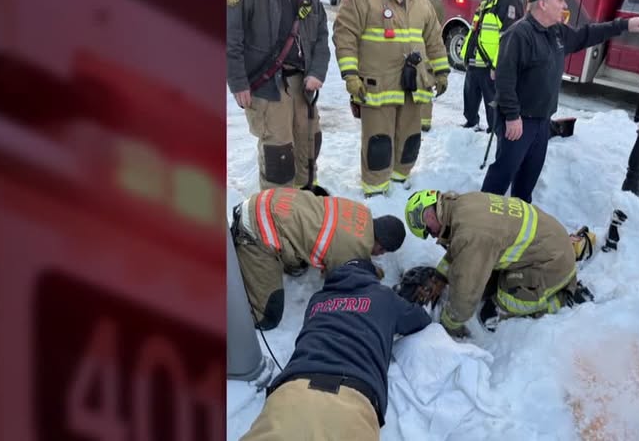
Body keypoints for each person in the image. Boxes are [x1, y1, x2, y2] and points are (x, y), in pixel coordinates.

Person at [480, 0, 639, 204]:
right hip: (519, 122)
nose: (565, 5)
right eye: (559, 0)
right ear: (543, 4)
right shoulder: (519, 34)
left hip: (542, 122)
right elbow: (504, 80)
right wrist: (512, 117)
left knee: (527, 181)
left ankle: (518, 217)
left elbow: (587, 34)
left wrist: (624, 25)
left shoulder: (556, 32)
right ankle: (480, 216)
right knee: (501, 176)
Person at [242, 258, 431, 440]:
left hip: (290, 394)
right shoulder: (384, 296)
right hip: (351, 400)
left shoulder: (317, 300)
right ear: (371, 277)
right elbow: (420, 320)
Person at [334, 0, 450, 197]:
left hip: (412, 87)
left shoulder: (420, 2)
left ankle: (400, 185)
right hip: (376, 88)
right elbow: (344, 35)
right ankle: (375, 194)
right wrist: (350, 75)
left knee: (410, 141)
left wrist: (442, 72)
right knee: (379, 144)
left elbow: (434, 39)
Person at [399, 189, 598, 338]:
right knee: (487, 279)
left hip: (551, 264)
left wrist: (449, 323)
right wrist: (440, 276)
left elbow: (467, 290)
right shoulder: (463, 204)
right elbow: (460, 250)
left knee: (493, 310)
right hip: (551, 242)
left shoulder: (470, 235)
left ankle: (564, 296)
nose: (433, 236)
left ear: (429, 216)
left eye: (428, 231)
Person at [227, 0, 331, 192]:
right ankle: (278, 211)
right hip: (267, 88)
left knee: (309, 145)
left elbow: (322, 38)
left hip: (303, 87)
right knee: (279, 156)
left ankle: (304, 204)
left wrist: (317, 72)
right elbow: (229, 36)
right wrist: (238, 82)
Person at [230, 187, 407, 329]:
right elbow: (343, 279)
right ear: (380, 246)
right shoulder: (353, 248)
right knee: (267, 317)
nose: (379, 255)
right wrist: (370, 273)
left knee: (301, 259)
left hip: (268, 201)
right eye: (382, 251)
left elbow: (339, 240)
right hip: (255, 230)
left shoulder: (360, 211)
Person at [460, 0, 522, 131]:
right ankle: (471, 122)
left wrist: (496, 66)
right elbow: (475, 31)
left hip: (490, 67)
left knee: (492, 101)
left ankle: (494, 129)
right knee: (470, 96)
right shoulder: (486, 0)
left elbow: (508, 40)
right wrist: (466, 55)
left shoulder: (509, 3)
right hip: (475, 62)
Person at [410, 0, 445, 132]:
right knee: (425, 85)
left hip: (407, 50)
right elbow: (437, 30)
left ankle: (407, 119)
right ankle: (424, 121)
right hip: (428, 52)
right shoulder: (436, 1)